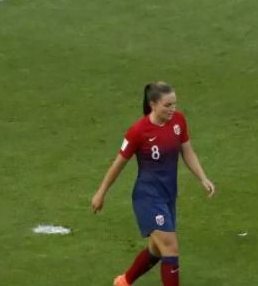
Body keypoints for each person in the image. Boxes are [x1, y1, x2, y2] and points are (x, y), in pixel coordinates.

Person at [92, 82, 216, 286]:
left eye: (174, 104)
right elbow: (118, 164)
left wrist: (203, 178)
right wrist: (101, 193)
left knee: (157, 250)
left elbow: (187, 151)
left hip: (168, 196)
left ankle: (124, 282)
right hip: (147, 197)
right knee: (171, 248)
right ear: (153, 104)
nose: (172, 109)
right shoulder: (138, 131)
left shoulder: (178, 122)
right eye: (167, 105)